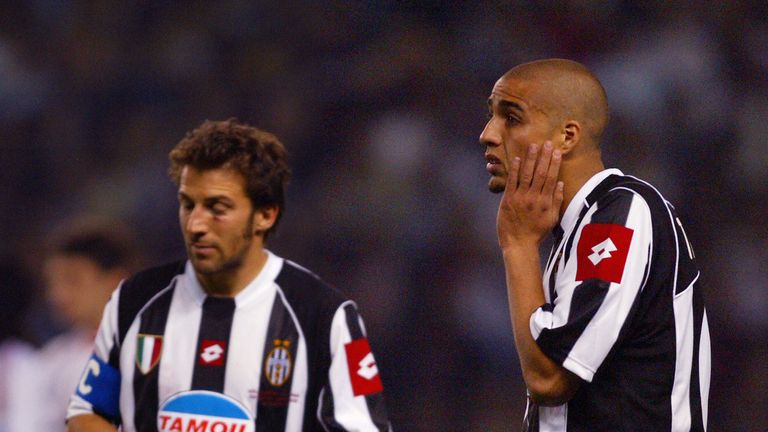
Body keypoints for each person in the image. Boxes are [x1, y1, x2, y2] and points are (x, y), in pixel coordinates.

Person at [66, 119, 390, 432]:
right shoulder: (134, 300)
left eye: (217, 208)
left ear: (265, 215)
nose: (196, 225)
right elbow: (86, 413)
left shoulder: (323, 315)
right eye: (187, 204)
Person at [479, 59, 710, 431]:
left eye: (512, 118)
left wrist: (518, 246)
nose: (488, 134)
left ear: (567, 136)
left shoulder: (624, 213)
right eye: (491, 115)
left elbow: (549, 380)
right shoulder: (577, 230)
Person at [28, 219, 141, 431]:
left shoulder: (155, 349)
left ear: (116, 280)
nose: (58, 295)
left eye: (73, 280)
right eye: (52, 283)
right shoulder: (52, 359)